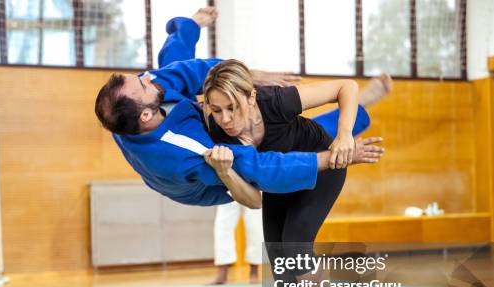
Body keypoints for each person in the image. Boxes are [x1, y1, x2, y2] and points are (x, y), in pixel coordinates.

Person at [93, 7, 374, 208]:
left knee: (172, 69)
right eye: (142, 85)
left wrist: (250, 73)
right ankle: (360, 109)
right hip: (195, 186)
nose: (147, 77)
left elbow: (186, 69)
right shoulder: (187, 150)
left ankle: (190, 25)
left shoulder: (129, 107)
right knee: (273, 143)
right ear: (145, 114)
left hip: (174, 125)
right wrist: (330, 158)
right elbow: (259, 168)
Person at [202, 59, 390, 287]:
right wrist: (225, 172)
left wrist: (344, 137)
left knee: (296, 246)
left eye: (232, 107)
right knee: (279, 263)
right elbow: (253, 201)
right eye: (216, 110)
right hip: (280, 182)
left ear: (251, 97)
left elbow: (346, 86)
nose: (225, 119)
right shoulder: (217, 132)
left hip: (322, 167)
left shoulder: (275, 101)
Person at [212, 201, 263, 284]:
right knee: (222, 227)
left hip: (255, 188)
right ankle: (222, 273)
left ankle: (254, 272)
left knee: (255, 226)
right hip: (227, 189)